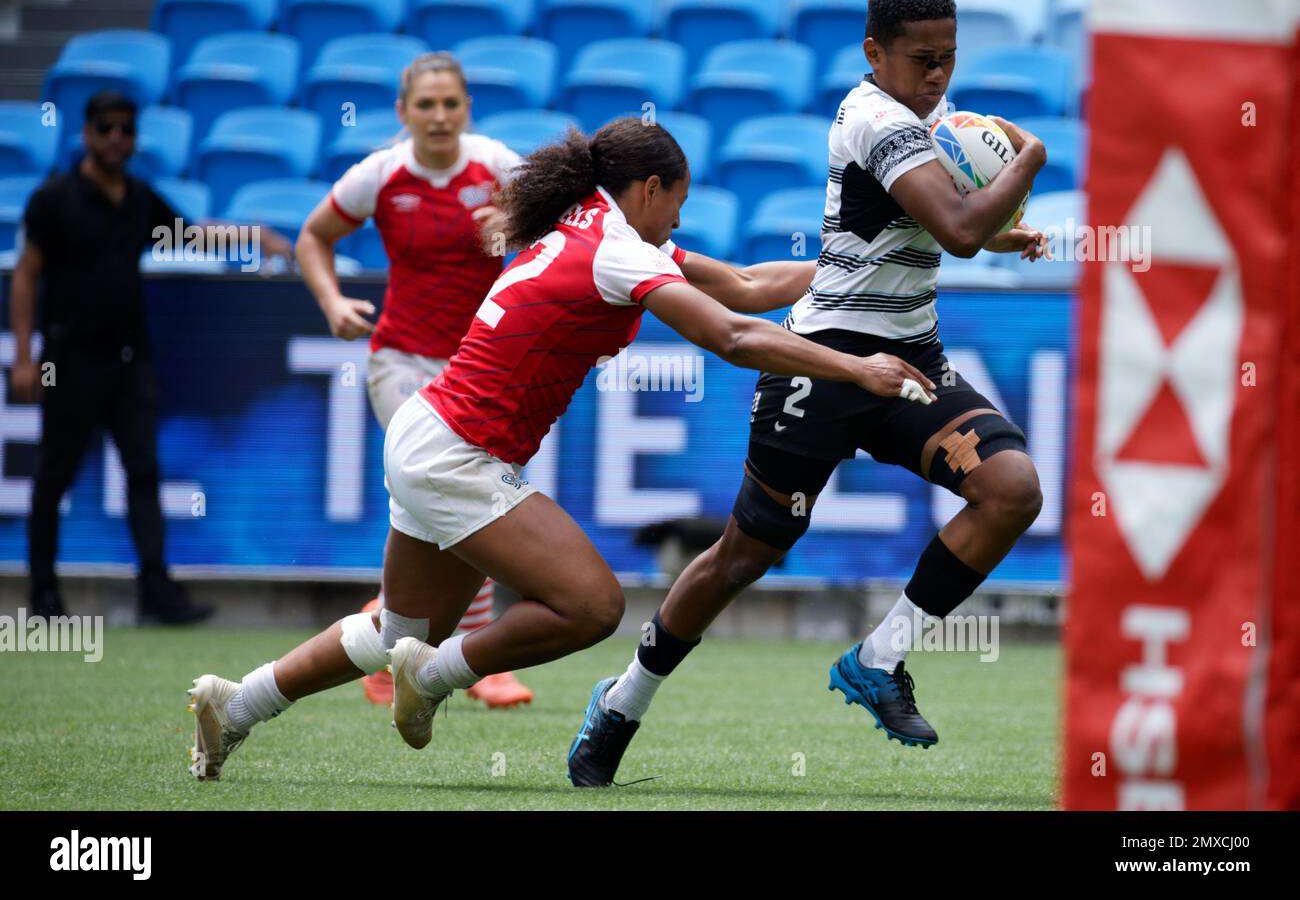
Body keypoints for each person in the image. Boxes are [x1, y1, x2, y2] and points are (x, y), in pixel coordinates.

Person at [185, 116, 939, 781]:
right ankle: (439, 678)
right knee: (592, 606)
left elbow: (744, 285)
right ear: (649, 189)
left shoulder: (592, 223)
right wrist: (855, 365)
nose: (680, 218)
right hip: (457, 455)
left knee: (396, 633)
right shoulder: (621, 250)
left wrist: (864, 277)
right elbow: (733, 336)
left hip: (429, 435)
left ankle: (237, 703)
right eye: (679, 201)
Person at [566, 0, 1053, 787]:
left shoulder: (928, 117)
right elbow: (961, 230)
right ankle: (622, 702)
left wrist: (993, 233)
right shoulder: (873, 117)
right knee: (740, 558)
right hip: (823, 367)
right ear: (874, 53)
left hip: (910, 364)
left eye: (949, 58)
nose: (938, 74)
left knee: (1011, 490)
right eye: (921, 58)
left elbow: (930, 228)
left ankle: (879, 659)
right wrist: (1029, 158)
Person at [297, 51, 533, 709]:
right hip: (400, 361)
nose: (438, 116)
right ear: (402, 113)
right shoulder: (380, 175)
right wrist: (332, 302)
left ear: (467, 109)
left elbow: (568, 224)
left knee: (457, 502)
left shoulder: (496, 165)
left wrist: (515, 223)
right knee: (454, 486)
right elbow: (313, 237)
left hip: (483, 369)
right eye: (425, 105)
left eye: (450, 103)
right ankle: (477, 660)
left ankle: (386, 637)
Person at [10, 90, 284, 623]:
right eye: (107, 128)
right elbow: (25, 275)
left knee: (143, 471)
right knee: (54, 475)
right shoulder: (54, 200)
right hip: (68, 359)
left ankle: (156, 591)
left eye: (126, 130)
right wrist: (24, 356)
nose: (117, 139)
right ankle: (43, 594)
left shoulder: (137, 199)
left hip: (129, 359)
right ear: (87, 134)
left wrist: (259, 237)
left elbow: (192, 235)